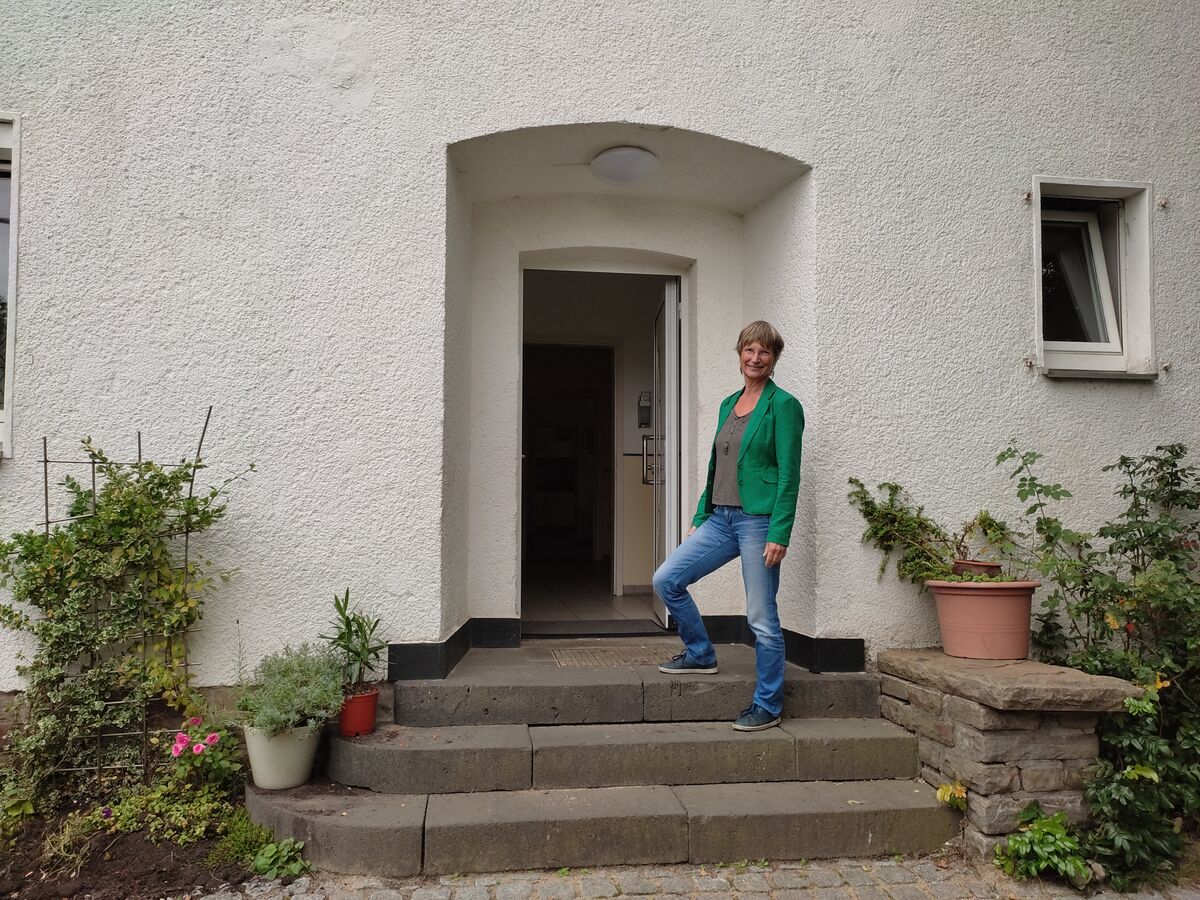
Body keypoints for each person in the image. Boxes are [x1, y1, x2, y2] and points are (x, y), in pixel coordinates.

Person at [651, 320, 804, 732]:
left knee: (761, 618)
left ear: (774, 359)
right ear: (740, 354)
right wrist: (702, 515)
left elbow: (789, 474)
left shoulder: (784, 406)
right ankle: (700, 653)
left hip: (758, 521)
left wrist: (779, 532)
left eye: (764, 352)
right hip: (720, 518)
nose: (756, 358)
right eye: (749, 350)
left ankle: (768, 704)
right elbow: (717, 466)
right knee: (667, 580)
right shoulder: (728, 404)